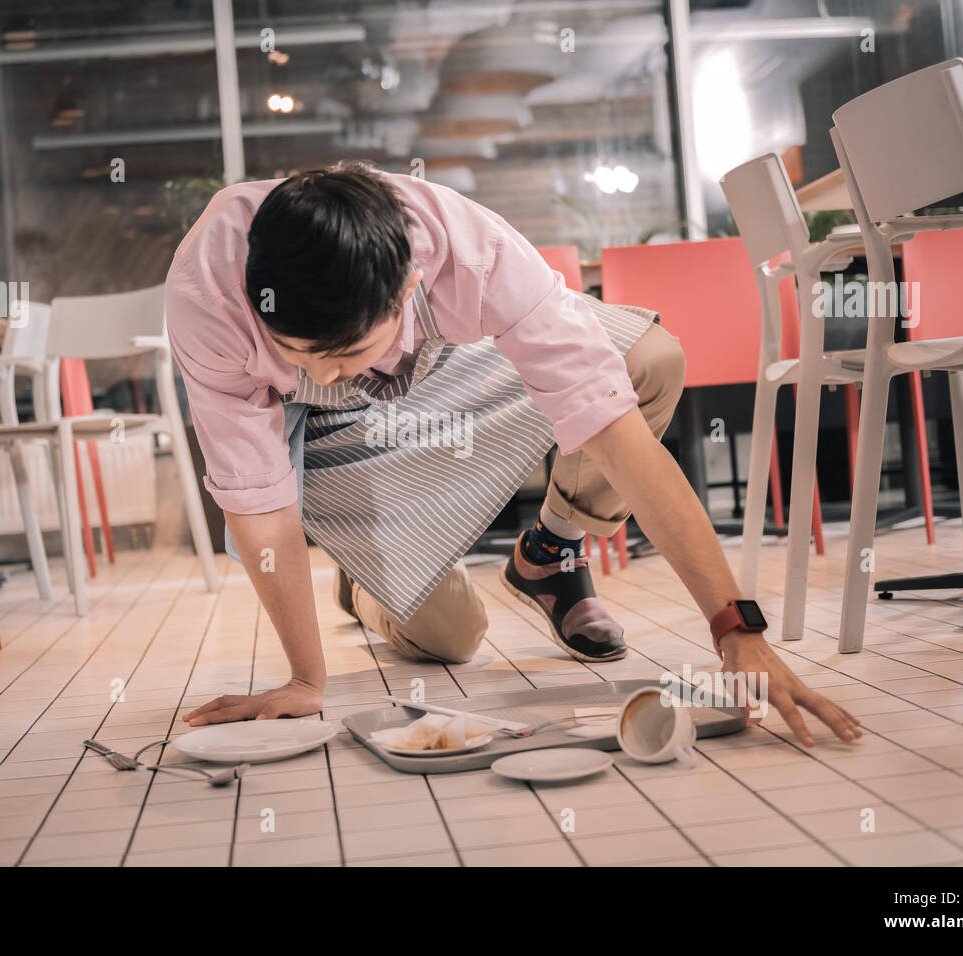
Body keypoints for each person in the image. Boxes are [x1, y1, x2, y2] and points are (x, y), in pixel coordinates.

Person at [165, 161, 861, 747]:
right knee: (451, 636)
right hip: (321, 435)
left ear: (408, 286)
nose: (326, 369)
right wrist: (306, 680)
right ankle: (366, 583)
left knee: (648, 357)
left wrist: (734, 628)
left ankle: (550, 556)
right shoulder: (209, 298)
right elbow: (259, 504)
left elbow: (614, 432)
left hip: (448, 366)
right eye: (300, 352)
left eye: (344, 352)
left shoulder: (474, 256)